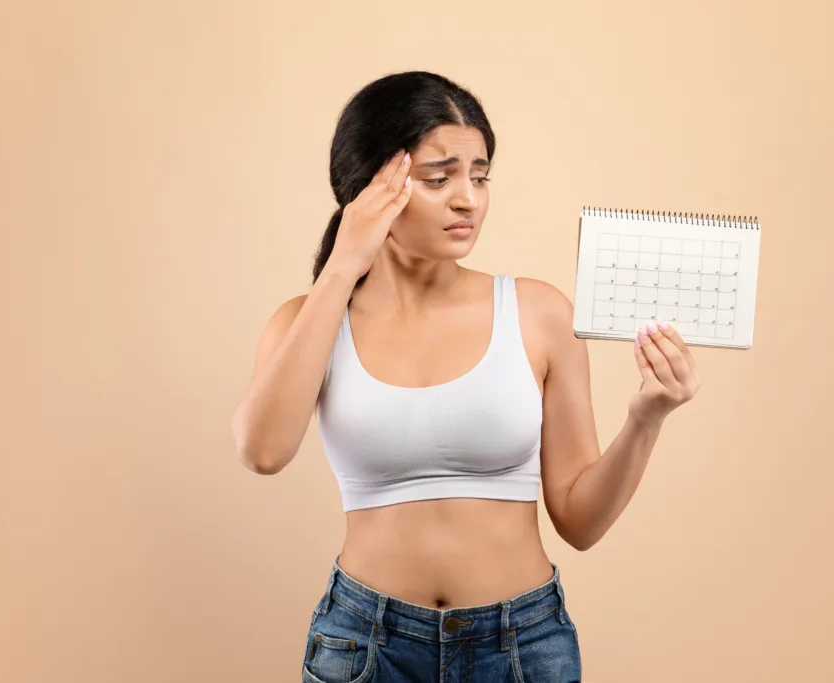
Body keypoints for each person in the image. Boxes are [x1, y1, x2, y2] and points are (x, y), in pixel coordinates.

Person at [230, 71, 701, 683]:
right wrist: (345, 264)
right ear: (370, 187)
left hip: (522, 644)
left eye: (480, 176)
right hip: (364, 647)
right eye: (438, 178)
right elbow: (262, 450)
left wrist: (647, 417)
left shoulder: (538, 313)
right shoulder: (308, 321)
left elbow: (580, 524)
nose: (468, 199)